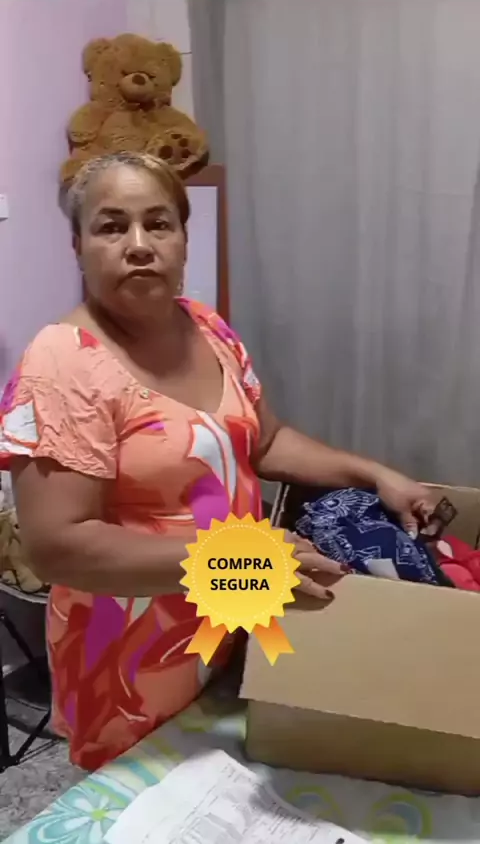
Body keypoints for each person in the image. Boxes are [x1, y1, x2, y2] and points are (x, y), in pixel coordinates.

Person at [0, 152, 434, 771]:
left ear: (183, 237)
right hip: (129, 657)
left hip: (229, 619)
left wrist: (376, 474)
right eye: (111, 226)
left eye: (158, 223)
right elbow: (59, 547)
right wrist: (239, 562)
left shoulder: (206, 327)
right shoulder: (62, 365)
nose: (139, 245)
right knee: (152, 798)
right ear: (78, 246)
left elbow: (264, 441)